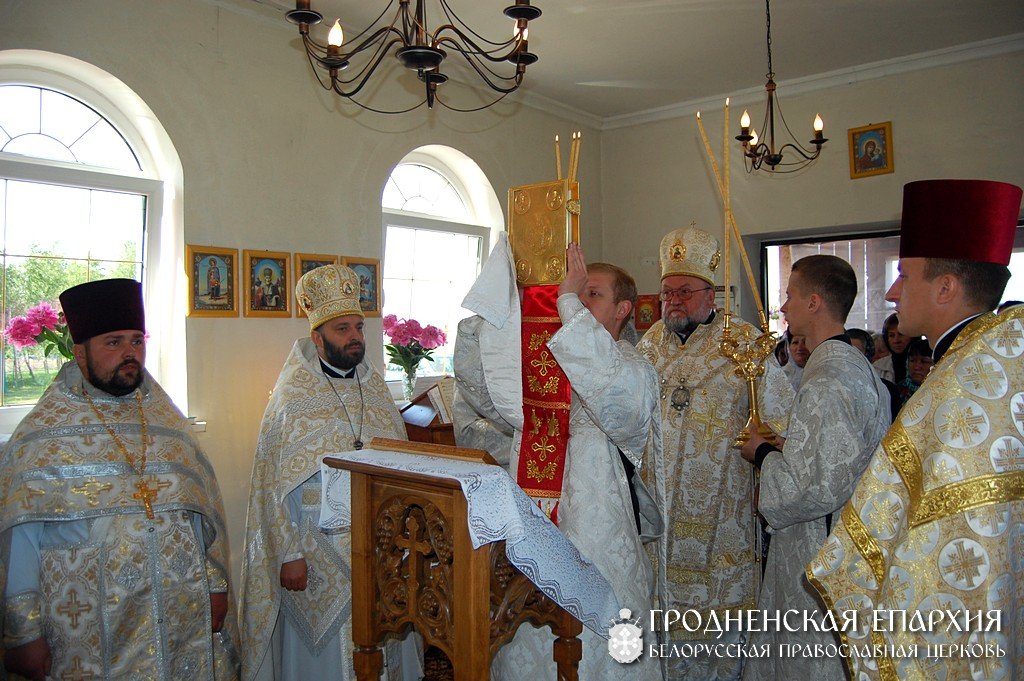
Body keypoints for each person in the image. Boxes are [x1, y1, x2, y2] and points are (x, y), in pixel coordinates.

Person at [807, 179, 1024, 680]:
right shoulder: (998, 364)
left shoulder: (960, 387)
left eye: (905, 274)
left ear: (946, 287)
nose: (891, 291)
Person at [0, 278, 239, 681]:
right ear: (80, 353)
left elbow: (200, 515)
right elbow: (20, 540)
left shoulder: (168, 423)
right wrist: (22, 631)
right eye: (113, 342)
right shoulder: (40, 436)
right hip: (89, 631)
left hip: (178, 618)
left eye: (136, 341)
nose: (130, 353)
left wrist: (215, 585)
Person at [456, 238, 661, 680]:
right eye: (578, 289)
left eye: (593, 292)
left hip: (596, 533)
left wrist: (566, 301)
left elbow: (619, 406)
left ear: (623, 309)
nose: (581, 297)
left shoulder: (632, 365)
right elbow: (485, 398)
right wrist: (491, 316)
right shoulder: (544, 362)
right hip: (534, 522)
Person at [239, 264, 414, 681]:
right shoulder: (290, 398)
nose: (355, 337)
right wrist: (289, 555)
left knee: (382, 643)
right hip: (315, 551)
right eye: (342, 329)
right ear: (317, 337)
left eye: (358, 326)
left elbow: (404, 468)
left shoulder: (375, 391)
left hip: (379, 544)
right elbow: (270, 485)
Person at [636, 226, 794, 681]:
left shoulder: (743, 344)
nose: (674, 302)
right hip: (660, 513)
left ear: (711, 294)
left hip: (722, 514)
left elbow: (781, 424)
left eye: (685, 291)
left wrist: (765, 478)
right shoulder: (648, 347)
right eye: (667, 293)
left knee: (718, 628)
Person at [739, 256, 890, 681]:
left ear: (815, 302)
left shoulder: (827, 379)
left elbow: (812, 487)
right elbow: (840, 455)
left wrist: (762, 453)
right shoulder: (850, 365)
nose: (783, 307)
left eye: (789, 296)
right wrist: (788, 445)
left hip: (818, 546)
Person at [848, 327, 902, 421]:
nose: (849, 357)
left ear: (868, 355)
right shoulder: (830, 389)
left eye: (856, 352)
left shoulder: (887, 390)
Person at [872, 312, 917, 383]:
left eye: (901, 334)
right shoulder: (878, 367)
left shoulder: (925, 364)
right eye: (891, 335)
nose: (896, 340)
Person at [895, 337, 933, 406]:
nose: (917, 367)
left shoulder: (942, 391)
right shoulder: (897, 391)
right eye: (912, 361)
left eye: (925, 361)